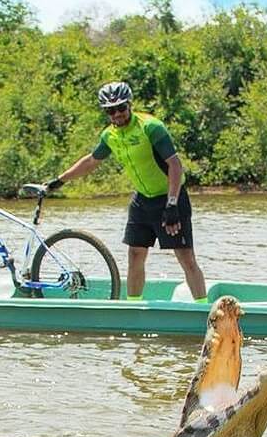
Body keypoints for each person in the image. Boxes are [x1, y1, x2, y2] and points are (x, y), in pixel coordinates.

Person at [47, 81, 207, 302]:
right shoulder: (109, 136)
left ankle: (205, 311)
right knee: (135, 254)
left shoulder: (150, 127)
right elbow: (92, 161)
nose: (117, 114)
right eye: (111, 110)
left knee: (185, 257)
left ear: (129, 105)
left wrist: (171, 204)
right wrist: (59, 181)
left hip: (170, 198)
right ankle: (134, 307)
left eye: (121, 108)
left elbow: (175, 165)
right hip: (142, 201)